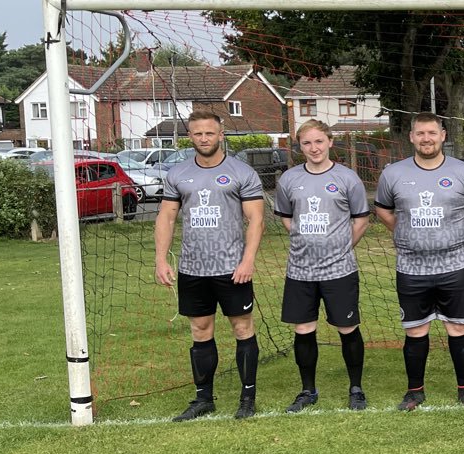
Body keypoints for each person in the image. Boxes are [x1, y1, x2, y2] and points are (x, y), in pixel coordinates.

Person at [373, 112, 464, 411]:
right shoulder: (393, 173)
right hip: (412, 268)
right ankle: (414, 391)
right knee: (415, 330)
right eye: (420, 133)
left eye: (432, 133)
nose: (426, 138)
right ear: (411, 137)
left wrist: (460, 235)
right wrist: (405, 234)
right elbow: (384, 211)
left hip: (455, 266)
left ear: (443, 135)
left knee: (458, 328)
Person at [155, 110, 266, 421]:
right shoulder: (177, 174)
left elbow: (256, 219)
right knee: (200, 330)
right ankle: (204, 399)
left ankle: (247, 398)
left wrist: (247, 260)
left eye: (209, 133)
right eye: (197, 134)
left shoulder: (241, 172)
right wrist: (160, 258)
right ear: (190, 137)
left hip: (232, 268)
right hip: (193, 268)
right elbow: (166, 217)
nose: (204, 138)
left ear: (221, 135)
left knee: (242, 328)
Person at [273, 119, 372, 412]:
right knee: (303, 328)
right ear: (299, 146)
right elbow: (287, 217)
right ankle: (307, 390)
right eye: (306, 143)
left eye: (319, 141)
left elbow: (361, 219)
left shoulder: (347, 178)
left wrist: (340, 247)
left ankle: (355, 388)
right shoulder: (289, 179)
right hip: (301, 269)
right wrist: (306, 241)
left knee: (347, 326)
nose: (313, 148)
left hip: (339, 269)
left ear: (330, 142)